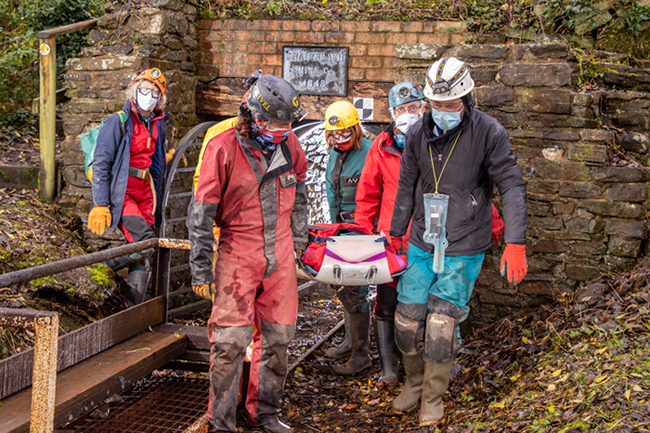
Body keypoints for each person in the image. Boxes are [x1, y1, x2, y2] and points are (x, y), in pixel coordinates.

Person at [389, 57, 528, 426]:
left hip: (464, 240)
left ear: (467, 98)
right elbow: (407, 184)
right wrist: (396, 231)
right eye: (436, 105)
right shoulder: (418, 132)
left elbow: (511, 184)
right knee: (406, 319)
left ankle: (433, 397)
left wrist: (515, 241)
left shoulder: (489, 132)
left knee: (440, 325)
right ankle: (414, 382)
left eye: (450, 106)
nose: (443, 112)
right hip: (422, 236)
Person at [188, 74, 308, 433]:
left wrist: (299, 244)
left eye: (287, 124)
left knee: (278, 338)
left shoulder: (290, 145)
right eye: (274, 123)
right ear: (253, 116)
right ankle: (221, 423)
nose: (280, 130)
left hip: (281, 251)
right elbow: (202, 211)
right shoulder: (223, 147)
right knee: (229, 343)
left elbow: (299, 193)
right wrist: (199, 269)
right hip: (238, 251)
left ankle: (265, 413)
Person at [354, 81, 427, 385]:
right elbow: (368, 193)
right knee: (387, 302)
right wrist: (362, 235)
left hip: (427, 238)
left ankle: (421, 366)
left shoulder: (439, 142)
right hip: (390, 240)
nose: (408, 114)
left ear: (424, 108)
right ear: (392, 112)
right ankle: (389, 367)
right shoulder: (382, 147)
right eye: (401, 109)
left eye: (414, 108)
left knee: (426, 303)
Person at [87, 68, 173, 306]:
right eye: (145, 89)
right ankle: (95, 270)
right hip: (122, 191)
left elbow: (157, 167)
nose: (149, 95)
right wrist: (101, 203)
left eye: (155, 92)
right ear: (135, 90)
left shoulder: (157, 123)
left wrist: (158, 209)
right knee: (144, 243)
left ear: (160, 99)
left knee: (144, 255)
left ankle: (131, 311)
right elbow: (102, 163)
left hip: (146, 191)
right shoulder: (119, 121)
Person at [323, 100, 372, 375]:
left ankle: (360, 354)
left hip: (362, 229)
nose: (339, 139)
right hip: (340, 228)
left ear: (356, 129)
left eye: (344, 134)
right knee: (344, 285)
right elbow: (332, 192)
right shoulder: (334, 153)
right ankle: (349, 341)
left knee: (356, 291)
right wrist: (333, 230)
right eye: (333, 135)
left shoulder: (369, 152)